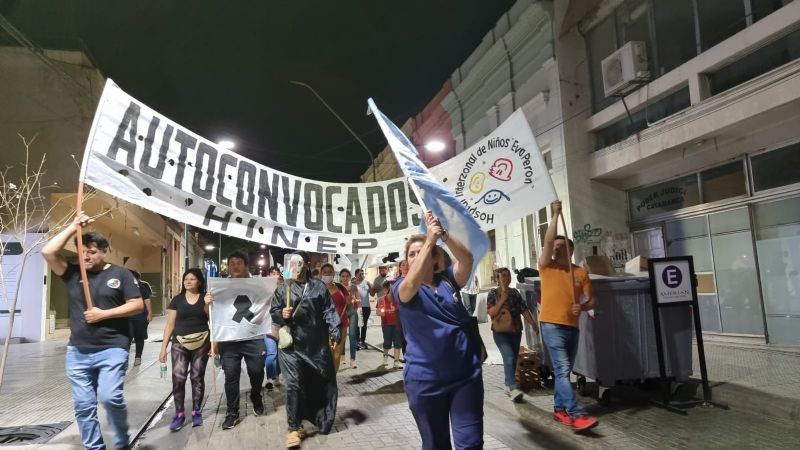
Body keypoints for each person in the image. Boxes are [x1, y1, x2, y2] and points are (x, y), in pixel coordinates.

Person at [41, 212, 144, 450]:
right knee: (83, 405)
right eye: (82, 251)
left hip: (113, 347)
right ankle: (94, 447)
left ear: (104, 251)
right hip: (78, 351)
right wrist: (72, 225)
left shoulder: (120, 274)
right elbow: (48, 252)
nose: (86, 255)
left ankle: (121, 440)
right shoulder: (72, 273)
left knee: (110, 397)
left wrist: (103, 314)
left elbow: (137, 305)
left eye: (92, 251)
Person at [394, 212, 483, 450]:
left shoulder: (448, 280)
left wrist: (444, 235)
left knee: (471, 444)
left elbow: (466, 260)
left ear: (435, 259)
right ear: (407, 263)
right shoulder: (401, 288)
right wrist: (429, 241)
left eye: (421, 252)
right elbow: (410, 285)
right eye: (411, 254)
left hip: (465, 377)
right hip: (425, 382)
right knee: (436, 445)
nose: (416, 256)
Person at [270, 253, 341, 448]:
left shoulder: (318, 287)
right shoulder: (284, 288)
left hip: (315, 346)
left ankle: (314, 417)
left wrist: (335, 330)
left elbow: (329, 310)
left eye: (299, 263)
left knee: (318, 382)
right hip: (291, 347)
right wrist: (281, 314)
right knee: (293, 384)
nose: (296, 267)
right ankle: (293, 428)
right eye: (292, 264)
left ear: (306, 266)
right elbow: (274, 311)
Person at [538, 200, 598, 432]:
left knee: (564, 371)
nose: (556, 249)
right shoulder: (546, 266)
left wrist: (582, 308)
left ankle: (559, 409)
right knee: (563, 370)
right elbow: (547, 240)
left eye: (562, 247)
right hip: (551, 325)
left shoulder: (580, 272)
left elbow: (592, 300)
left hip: (572, 326)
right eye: (555, 247)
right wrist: (555, 215)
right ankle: (576, 414)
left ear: (571, 250)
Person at [206, 251, 267, 430]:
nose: (235, 265)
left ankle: (256, 395)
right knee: (231, 376)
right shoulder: (219, 287)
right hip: (229, 340)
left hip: (253, 337)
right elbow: (210, 313)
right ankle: (232, 412)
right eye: (231, 263)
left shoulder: (259, 286)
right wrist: (207, 302)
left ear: (246, 266)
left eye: (239, 262)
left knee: (256, 371)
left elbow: (269, 303)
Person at [159, 268, 211, 431]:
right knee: (178, 377)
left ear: (200, 282)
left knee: (197, 377)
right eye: (186, 279)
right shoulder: (177, 300)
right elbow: (169, 325)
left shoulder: (205, 298)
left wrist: (208, 304)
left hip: (202, 342)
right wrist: (163, 348)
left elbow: (212, 319)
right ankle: (179, 413)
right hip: (179, 343)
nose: (188, 281)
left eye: (192, 279)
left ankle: (196, 411)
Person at [487, 267, 539, 403]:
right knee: (509, 357)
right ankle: (513, 387)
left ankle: (507, 384)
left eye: (508, 275)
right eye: (503, 276)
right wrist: (502, 299)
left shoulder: (515, 293)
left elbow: (523, 309)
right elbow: (492, 312)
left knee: (512, 359)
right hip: (500, 333)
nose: (506, 278)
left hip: (515, 331)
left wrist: (533, 324)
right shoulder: (493, 294)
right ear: (498, 279)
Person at [320, 263, 351, 372]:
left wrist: (349, 301)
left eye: (330, 272)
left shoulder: (341, 288)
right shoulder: (317, 288)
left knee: (337, 353)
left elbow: (349, 307)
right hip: (324, 326)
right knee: (326, 352)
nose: (327, 274)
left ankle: (333, 377)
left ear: (333, 273)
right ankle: (326, 375)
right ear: (321, 274)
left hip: (341, 324)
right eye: (325, 272)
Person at [129, 269, 153, 366]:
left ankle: (138, 356)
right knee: (126, 338)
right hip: (127, 318)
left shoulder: (142, 288)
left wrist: (150, 313)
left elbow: (147, 301)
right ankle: (124, 359)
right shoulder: (123, 287)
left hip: (140, 317)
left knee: (139, 338)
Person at [376, 280, 402, 369]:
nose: (391, 291)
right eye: (389, 289)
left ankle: (396, 361)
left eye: (393, 289)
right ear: (385, 290)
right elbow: (377, 311)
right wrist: (380, 313)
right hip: (386, 324)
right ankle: (385, 358)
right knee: (387, 341)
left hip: (397, 324)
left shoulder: (399, 299)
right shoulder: (381, 299)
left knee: (398, 342)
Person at [265, 266, 283, 390]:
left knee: (280, 354)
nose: (274, 275)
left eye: (276, 273)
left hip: (282, 326)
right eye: (272, 273)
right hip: (267, 325)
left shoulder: (285, 288)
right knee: (271, 353)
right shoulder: (264, 289)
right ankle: (269, 378)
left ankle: (276, 375)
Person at [338, 268, 360, 368]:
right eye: (343, 276)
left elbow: (359, 299)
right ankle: (342, 356)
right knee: (342, 335)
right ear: (340, 278)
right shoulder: (338, 287)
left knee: (352, 335)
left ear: (350, 277)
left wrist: (355, 300)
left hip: (352, 312)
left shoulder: (354, 287)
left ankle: (353, 359)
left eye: (347, 276)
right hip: (342, 313)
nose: (345, 278)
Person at [353, 268, 371, 349]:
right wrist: (355, 285)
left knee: (364, 325)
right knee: (357, 325)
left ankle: (363, 341)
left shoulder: (366, 283)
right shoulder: (352, 284)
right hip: (357, 307)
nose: (362, 275)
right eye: (360, 274)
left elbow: (364, 294)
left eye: (363, 273)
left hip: (366, 306)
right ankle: (357, 342)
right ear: (356, 275)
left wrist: (358, 287)